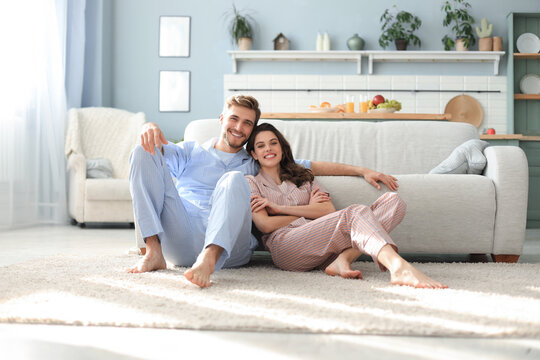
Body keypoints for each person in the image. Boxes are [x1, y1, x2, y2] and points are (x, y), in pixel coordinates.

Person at [128, 95, 399, 288]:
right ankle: (153, 251)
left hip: (229, 248)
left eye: (247, 123)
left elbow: (311, 165)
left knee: (235, 179)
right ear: (222, 119)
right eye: (234, 119)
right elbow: (153, 156)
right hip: (183, 235)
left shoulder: (255, 161)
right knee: (142, 150)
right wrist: (147, 127)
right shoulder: (190, 150)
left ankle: (209, 259)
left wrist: (361, 170)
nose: (239, 127)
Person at [245, 123, 447, 289]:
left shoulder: (303, 177)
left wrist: (278, 208)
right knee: (354, 213)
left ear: (282, 147)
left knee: (393, 202)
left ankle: (342, 259)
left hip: (325, 248)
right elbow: (265, 225)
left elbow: (327, 211)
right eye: (261, 146)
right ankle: (397, 266)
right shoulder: (251, 182)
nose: (269, 149)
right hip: (286, 247)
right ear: (254, 154)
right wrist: (309, 213)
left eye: (273, 143)